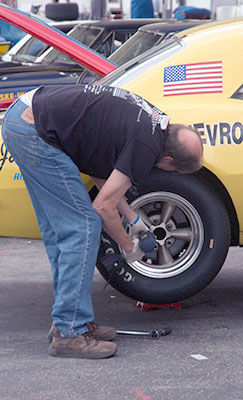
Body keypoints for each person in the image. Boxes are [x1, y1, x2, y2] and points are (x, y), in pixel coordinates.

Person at [1, 84, 203, 360]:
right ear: (168, 160)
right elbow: (103, 206)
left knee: (62, 231)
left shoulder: (156, 125)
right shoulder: (147, 148)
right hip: (32, 129)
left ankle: (70, 320)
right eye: (170, 169)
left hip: (28, 117)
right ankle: (69, 333)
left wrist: (133, 219)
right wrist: (127, 246)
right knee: (82, 227)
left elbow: (101, 173)